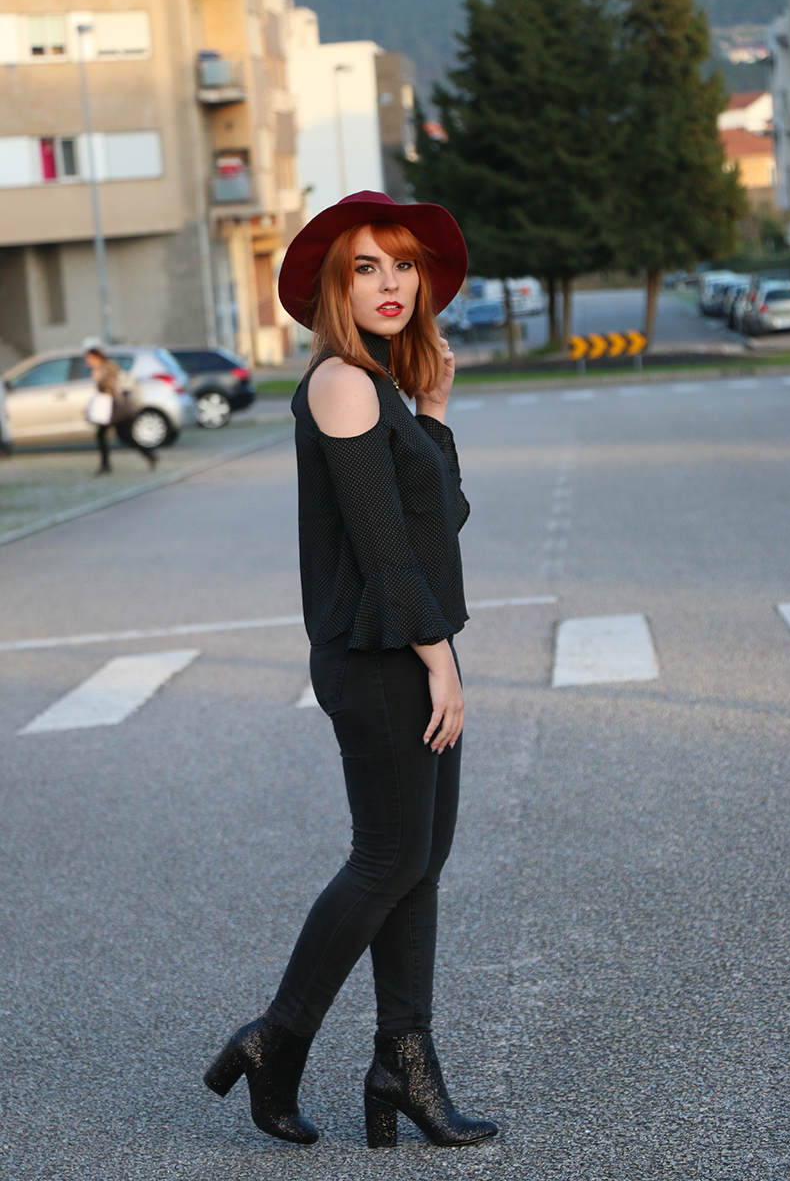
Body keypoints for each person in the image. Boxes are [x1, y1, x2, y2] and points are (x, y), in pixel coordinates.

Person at [204, 192, 498, 1150]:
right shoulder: (341, 382)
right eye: (367, 267)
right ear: (337, 286)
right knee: (388, 858)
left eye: (404, 265)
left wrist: (436, 410)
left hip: (407, 643)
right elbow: (382, 550)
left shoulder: (381, 388)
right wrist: (439, 662)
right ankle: (274, 1039)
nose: (392, 283)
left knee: (418, 862)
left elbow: (438, 523)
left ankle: (401, 1066)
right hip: (380, 656)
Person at [83, 340, 157, 474]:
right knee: (117, 436)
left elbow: (110, 387)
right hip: (111, 408)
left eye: (88, 358)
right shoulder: (102, 367)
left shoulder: (107, 366)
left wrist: (99, 380)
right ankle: (147, 455)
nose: (87, 361)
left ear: (95, 356)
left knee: (120, 436)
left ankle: (148, 454)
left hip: (113, 407)